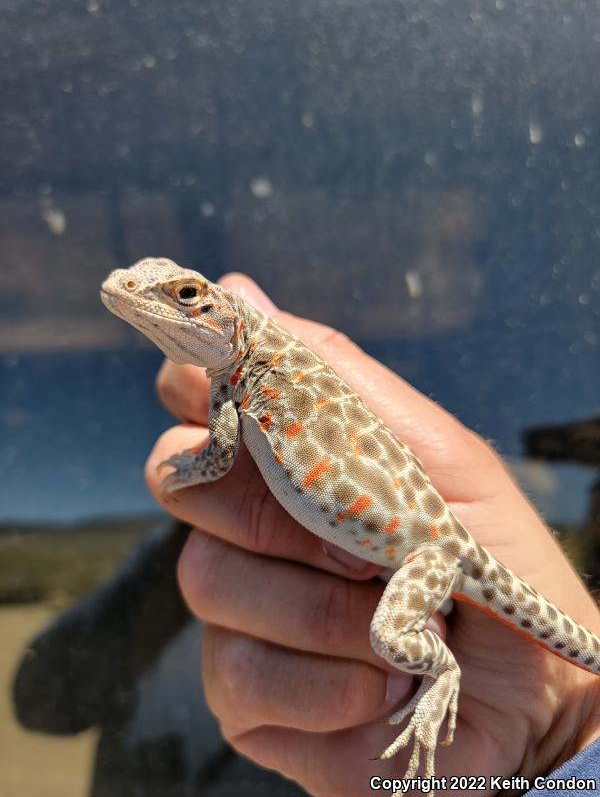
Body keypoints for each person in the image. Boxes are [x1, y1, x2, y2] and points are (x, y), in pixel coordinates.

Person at [145, 274, 600, 796]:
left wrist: (569, 731)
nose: (141, 294)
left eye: (184, 296)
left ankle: (443, 672)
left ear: (231, 317)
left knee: (389, 636)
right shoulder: (236, 376)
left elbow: (219, 457)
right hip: (421, 552)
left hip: (431, 551)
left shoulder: (259, 362)